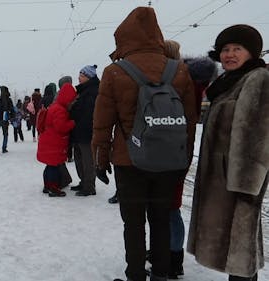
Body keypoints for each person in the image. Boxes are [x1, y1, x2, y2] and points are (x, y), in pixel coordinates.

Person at [91, 7, 197, 281]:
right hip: (168, 161)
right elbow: (189, 123)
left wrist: (100, 161)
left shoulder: (114, 71)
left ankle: (136, 274)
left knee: (134, 224)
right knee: (161, 220)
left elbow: (102, 124)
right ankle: (162, 273)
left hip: (130, 161)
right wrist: (184, 161)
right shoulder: (179, 70)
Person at [187, 24, 269, 281]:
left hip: (239, 184)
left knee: (240, 254)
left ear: (252, 53)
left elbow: (257, 136)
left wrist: (245, 188)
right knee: (235, 256)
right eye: (225, 49)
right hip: (224, 182)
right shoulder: (228, 83)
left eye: (237, 49)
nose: (229, 54)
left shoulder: (258, 79)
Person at [146, 39, 218, 279]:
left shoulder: (181, 80)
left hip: (172, 149)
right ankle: (167, 253)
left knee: (171, 207)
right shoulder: (188, 78)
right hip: (174, 149)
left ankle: (173, 258)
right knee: (167, 206)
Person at [37, 83, 76, 197]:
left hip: (48, 140)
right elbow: (61, 127)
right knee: (53, 166)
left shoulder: (54, 106)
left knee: (49, 166)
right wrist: (72, 123)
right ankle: (53, 188)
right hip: (54, 142)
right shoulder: (60, 110)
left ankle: (47, 186)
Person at [69, 65, 99, 196]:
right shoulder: (84, 90)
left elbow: (88, 114)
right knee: (80, 158)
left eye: (81, 76)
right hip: (79, 131)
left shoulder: (93, 91)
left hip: (86, 132)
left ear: (88, 77)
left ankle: (89, 186)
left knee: (87, 160)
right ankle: (83, 182)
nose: (79, 78)